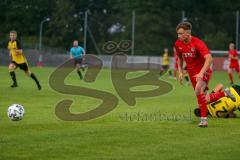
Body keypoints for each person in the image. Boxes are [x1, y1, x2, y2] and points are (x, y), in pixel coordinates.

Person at [174, 22, 235, 127]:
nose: (178, 36)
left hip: (204, 70)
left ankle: (203, 120)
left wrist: (201, 73)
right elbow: (179, 58)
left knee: (198, 89)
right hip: (192, 73)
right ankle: (224, 93)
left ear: (187, 34)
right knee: (205, 99)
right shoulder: (178, 44)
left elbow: (209, 58)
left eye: (180, 34)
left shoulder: (197, 43)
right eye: (178, 34)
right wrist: (180, 71)